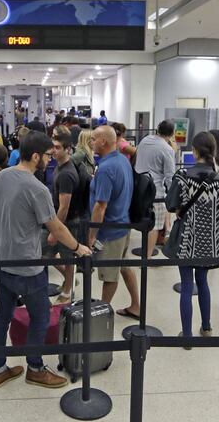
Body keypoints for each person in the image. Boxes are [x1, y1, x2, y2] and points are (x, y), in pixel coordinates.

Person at [0, 131, 92, 390]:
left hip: (0, 259)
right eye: (47, 155)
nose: (51, 158)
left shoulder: (1, 177)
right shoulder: (37, 188)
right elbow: (55, 226)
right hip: (25, 264)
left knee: (3, 314)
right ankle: (35, 368)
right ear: (35, 156)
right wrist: (79, 248)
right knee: (41, 315)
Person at [166, 132, 219, 346]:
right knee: (203, 283)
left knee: (186, 286)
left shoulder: (183, 176)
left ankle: (186, 336)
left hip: (187, 241)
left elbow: (171, 205)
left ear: (194, 151)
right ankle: (207, 327)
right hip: (209, 242)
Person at [87, 126, 140, 319]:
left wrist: (92, 235)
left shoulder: (107, 168)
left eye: (94, 139)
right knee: (124, 267)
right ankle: (136, 306)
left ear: (103, 141)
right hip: (123, 225)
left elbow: (100, 207)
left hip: (110, 231)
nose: (91, 142)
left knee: (109, 275)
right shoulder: (121, 161)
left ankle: (100, 317)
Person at [43, 132, 86, 304]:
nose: (53, 150)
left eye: (58, 147)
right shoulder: (60, 167)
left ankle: (67, 293)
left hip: (67, 223)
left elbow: (64, 206)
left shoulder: (66, 174)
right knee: (49, 255)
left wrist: (55, 231)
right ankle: (69, 280)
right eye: (53, 147)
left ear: (68, 149)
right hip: (62, 222)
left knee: (68, 259)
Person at [135, 120, 177, 260]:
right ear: (172, 134)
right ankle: (147, 258)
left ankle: (145, 251)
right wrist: (173, 195)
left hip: (138, 188)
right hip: (155, 192)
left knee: (144, 221)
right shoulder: (167, 149)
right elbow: (170, 177)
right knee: (154, 225)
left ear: (158, 129)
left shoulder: (144, 140)